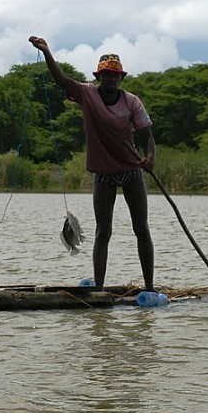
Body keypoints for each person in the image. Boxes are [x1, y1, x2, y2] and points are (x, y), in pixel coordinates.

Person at [28, 36, 156, 291]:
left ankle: (150, 287)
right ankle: (99, 288)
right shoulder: (87, 94)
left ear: (121, 79)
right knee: (103, 231)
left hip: (131, 170)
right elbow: (61, 80)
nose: (110, 80)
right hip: (104, 173)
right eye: (106, 75)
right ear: (98, 77)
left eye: (115, 76)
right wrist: (47, 53)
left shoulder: (132, 101)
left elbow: (146, 136)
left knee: (141, 228)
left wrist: (150, 158)